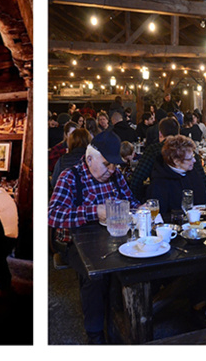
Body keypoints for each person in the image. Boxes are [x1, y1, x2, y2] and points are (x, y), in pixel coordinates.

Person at [48, 131, 137, 343]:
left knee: (131, 268)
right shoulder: (70, 177)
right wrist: (94, 211)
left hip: (112, 238)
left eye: (115, 165)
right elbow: (53, 216)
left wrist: (138, 209)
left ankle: (125, 324)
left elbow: (131, 201)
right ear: (90, 159)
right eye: (108, 164)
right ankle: (95, 334)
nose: (112, 170)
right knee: (95, 276)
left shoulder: (116, 176)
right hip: (75, 244)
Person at [129, 116, 206, 201]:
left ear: (160, 133)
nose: (193, 160)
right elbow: (205, 182)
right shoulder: (189, 152)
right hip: (189, 203)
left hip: (160, 202)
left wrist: (141, 201)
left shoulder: (152, 151)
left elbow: (135, 182)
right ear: (179, 133)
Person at [146, 135, 206, 217]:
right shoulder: (159, 183)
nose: (194, 160)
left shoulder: (193, 173)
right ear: (176, 161)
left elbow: (203, 200)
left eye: (193, 156)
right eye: (189, 159)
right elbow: (160, 216)